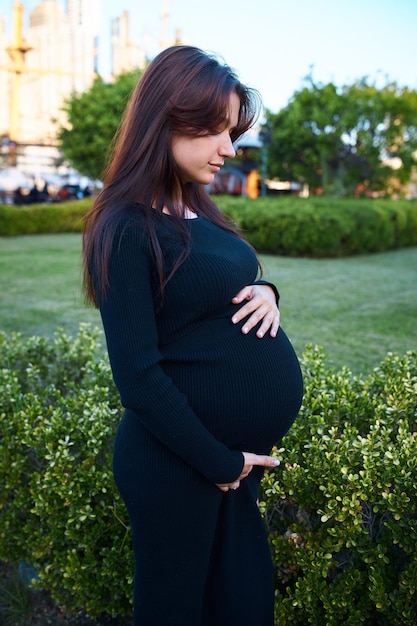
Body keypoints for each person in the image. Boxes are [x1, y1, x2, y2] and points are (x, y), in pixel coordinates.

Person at [82, 45, 303, 626]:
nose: (229, 149)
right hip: (178, 462)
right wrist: (219, 461)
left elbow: (219, 284)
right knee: (177, 610)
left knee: (241, 602)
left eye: (231, 131)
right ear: (165, 120)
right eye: (213, 130)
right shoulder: (125, 225)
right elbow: (137, 374)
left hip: (227, 461)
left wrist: (268, 291)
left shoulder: (194, 206)